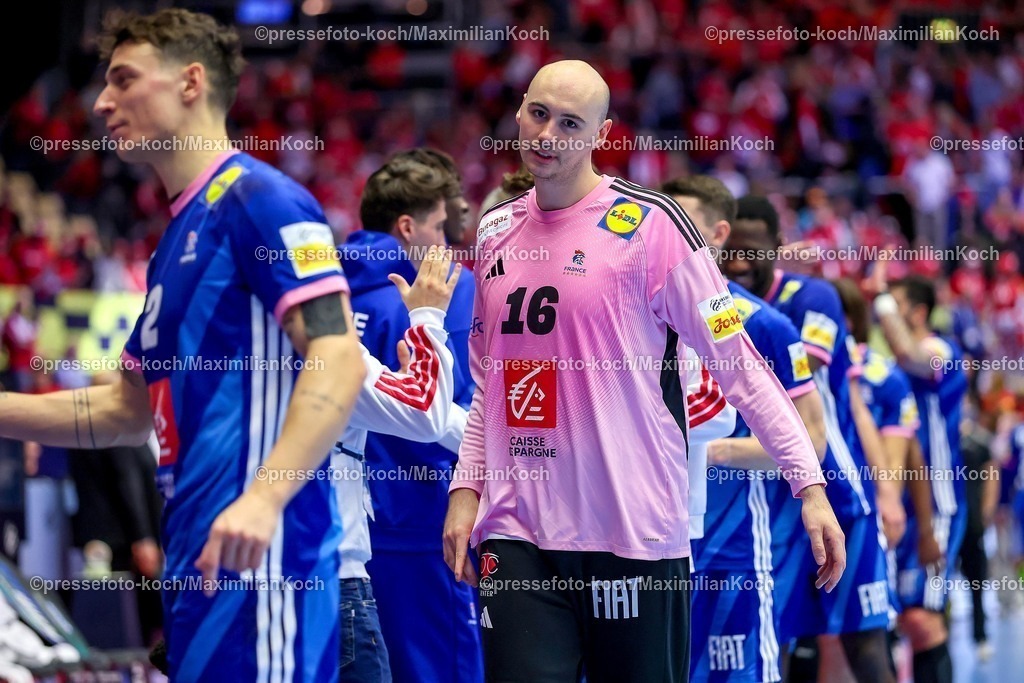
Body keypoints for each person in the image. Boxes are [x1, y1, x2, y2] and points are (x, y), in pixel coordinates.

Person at [443, 60, 844, 683]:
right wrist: (466, 491)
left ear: (602, 133)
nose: (548, 136)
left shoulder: (653, 227)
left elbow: (739, 367)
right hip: (517, 534)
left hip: (632, 536)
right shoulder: (495, 232)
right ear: (519, 110)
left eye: (571, 123)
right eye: (539, 114)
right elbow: (488, 390)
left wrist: (809, 487)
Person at [2, 9, 367, 681]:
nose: (102, 101)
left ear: (191, 81)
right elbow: (123, 410)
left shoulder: (261, 200)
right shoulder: (175, 239)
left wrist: (264, 497)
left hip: (264, 563)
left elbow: (337, 354)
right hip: (196, 566)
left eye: (124, 79)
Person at [663, 176, 828, 683]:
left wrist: (708, 452)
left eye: (682, 225)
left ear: (718, 234)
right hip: (648, 544)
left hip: (728, 549)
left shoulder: (763, 324)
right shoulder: (633, 311)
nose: (667, 237)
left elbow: (811, 438)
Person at [723, 197, 895, 683]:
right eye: (729, 248)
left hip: (833, 489)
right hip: (764, 497)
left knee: (863, 641)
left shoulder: (811, 297)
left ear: (776, 248)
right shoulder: (708, 303)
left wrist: (885, 489)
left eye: (751, 249)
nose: (737, 259)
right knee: (777, 641)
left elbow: (807, 365)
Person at [342, 157, 482, 682]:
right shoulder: (442, 293)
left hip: (355, 529)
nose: (448, 245)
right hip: (430, 521)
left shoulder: (327, 293)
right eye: (443, 228)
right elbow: (448, 414)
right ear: (408, 227)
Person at [332, 245, 466, 682]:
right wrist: (428, 319)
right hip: (338, 576)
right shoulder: (329, 349)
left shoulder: (222, 349)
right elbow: (425, 413)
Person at [872, 273, 969, 683]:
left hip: (938, 500)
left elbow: (910, 352)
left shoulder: (940, 351)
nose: (885, 316)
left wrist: (880, 298)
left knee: (923, 617)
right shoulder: (889, 368)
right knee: (897, 618)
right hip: (901, 499)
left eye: (896, 305)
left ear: (918, 311)